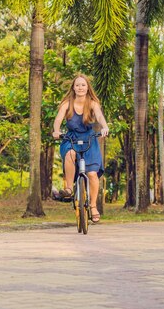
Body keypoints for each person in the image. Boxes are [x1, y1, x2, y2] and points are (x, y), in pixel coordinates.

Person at [52, 74, 109, 223]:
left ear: (87, 87)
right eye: (77, 85)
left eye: (83, 85)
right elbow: (58, 119)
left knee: (91, 174)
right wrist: (56, 131)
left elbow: (100, 117)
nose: (80, 88)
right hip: (71, 138)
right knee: (70, 153)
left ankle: (93, 206)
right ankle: (69, 189)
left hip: (89, 139)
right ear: (73, 88)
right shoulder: (67, 103)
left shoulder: (93, 103)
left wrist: (105, 127)